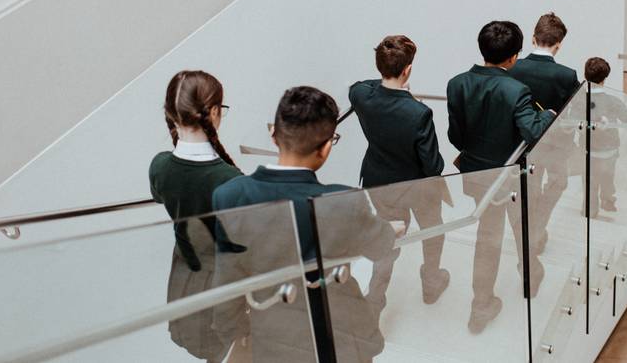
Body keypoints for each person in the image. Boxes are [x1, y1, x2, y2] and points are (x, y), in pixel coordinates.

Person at [212, 86, 398, 363]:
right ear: (325, 148)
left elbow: (227, 279)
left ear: (273, 134)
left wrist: (235, 331)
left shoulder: (229, 196)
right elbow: (380, 246)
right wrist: (389, 229)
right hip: (339, 332)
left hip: (272, 331)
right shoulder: (343, 201)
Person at [447, 20, 555, 334]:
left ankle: (480, 307)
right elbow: (534, 131)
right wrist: (546, 115)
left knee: (487, 237)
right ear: (513, 58)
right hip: (511, 178)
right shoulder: (516, 90)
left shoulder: (457, 84)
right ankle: (530, 278)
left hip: (478, 174)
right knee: (524, 225)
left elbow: (456, 137)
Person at [149, 70, 243, 363]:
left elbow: (162, 195)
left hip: (184, 280)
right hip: (223, 287)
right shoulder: (231, 180)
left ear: (170, 114)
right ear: (214, 112)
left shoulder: (160, 166)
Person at [349, 35, 449, 309]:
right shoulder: (418, 112)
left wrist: (389, 83)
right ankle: (431, 282)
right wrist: (405, 93)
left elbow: (360, 84)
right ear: (407, 70)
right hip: (418, 189)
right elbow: (433, 166)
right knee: (433, 231)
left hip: (379, 182)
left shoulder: (360, 96)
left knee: (388, 241)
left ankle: (375, 299)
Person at [508, 13, 580, 251]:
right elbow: (574, 110)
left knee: (531, 187)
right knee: (559, 182)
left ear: (533, 38)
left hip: (524, 142)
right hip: (556, 143)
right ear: (559, 45)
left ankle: (532, 231)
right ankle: (537, 227)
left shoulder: (514, 67)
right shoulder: (566, 75)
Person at [584, 58, 627, 217]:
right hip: (609, 149)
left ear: (585, 76)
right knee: (608, 175)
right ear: (605, 78)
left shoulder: (577, 100)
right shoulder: (614, 101)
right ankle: (608, 200)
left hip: (588, 149)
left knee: (590, 180)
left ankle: (590, 209)